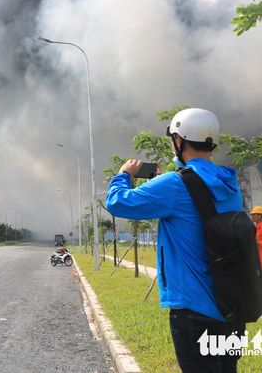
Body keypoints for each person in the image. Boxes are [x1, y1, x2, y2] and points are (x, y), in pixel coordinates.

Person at [105, 108, 245, 373]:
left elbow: (117, 202)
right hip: (231, 307)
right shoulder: (229, 182)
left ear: (179, 140)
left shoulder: (174, 185)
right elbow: (196, 208)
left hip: (195, 309)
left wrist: (124, 174)